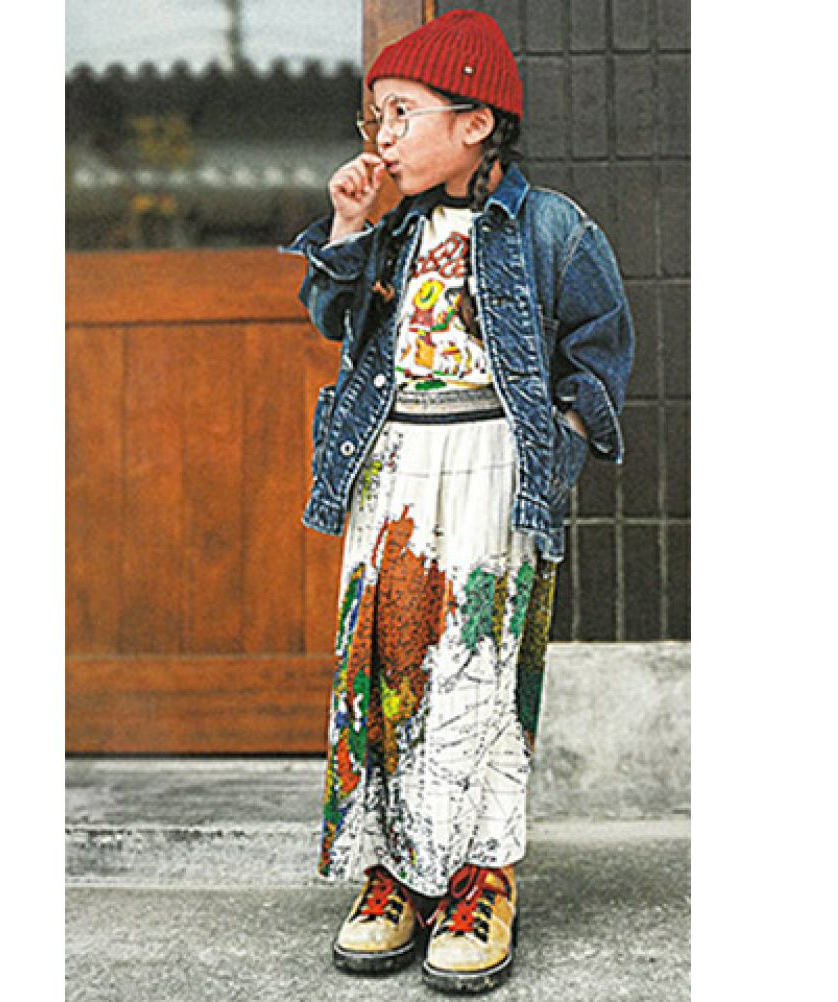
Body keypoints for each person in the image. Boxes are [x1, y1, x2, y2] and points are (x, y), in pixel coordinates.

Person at [281, 10, 633, 994]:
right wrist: (348, 229)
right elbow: (330, 317)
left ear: (476, 122)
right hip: (392, 468)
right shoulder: (391, 229)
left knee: (477, 675)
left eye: (403, 113)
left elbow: (600, 348)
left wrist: (559, 446)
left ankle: (481, 879)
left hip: (492, 468)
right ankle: (393, 873)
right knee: (382, 667)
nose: (383, 137)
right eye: (375, 118)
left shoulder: (552, 227)